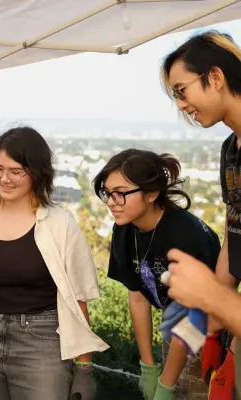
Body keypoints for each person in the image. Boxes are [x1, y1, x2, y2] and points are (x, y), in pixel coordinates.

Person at [0, 126, 108, 400]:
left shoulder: (60, 225)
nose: (4, 178)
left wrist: (84, 370)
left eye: (15, 171)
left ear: (37, 172)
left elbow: (78, 299)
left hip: (41, 343)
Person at [92, 149, 221, 400]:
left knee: (191, 392)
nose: (110, 202)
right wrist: (148, 367)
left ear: (151, 193)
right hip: (173, 323)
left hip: (211, 325)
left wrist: (166, 384)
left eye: (120, 193)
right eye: (107, 193)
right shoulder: (124, 229)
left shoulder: (184, 236)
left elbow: (192, 317)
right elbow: (138, 297)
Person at [161, 30, 241, 399]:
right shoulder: (231, 148)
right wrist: (212, 308)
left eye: (181, 90)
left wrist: (215, 298)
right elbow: (235, 227)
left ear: (215, 77)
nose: (180, 105)